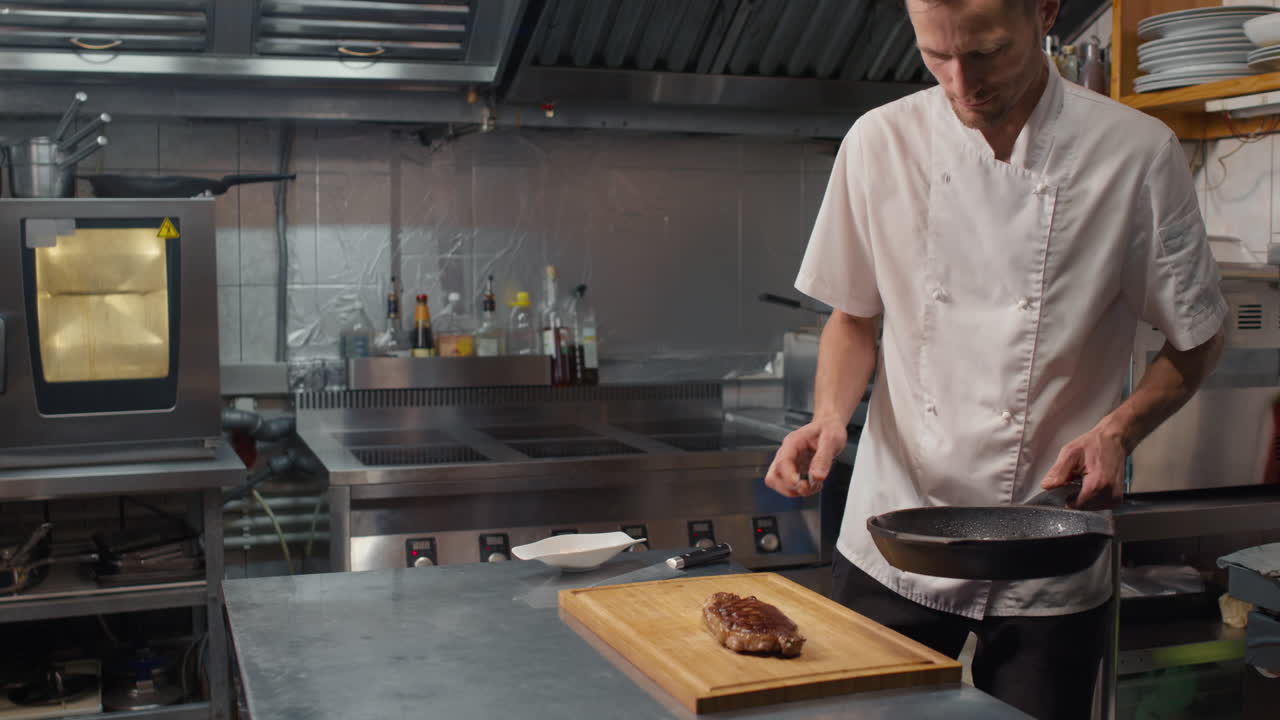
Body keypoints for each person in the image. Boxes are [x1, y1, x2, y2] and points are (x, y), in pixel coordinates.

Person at [765, 0, 1226, 717]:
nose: (960, 84)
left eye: (985, 53)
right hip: (896, 532)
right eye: (936, 56)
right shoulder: (879, 142)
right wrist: (829, 417)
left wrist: (1120, 430)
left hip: (1051, 542)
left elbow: (1199, 337)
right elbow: (853, 316)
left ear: (1045, 12)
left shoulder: (1135, 154)